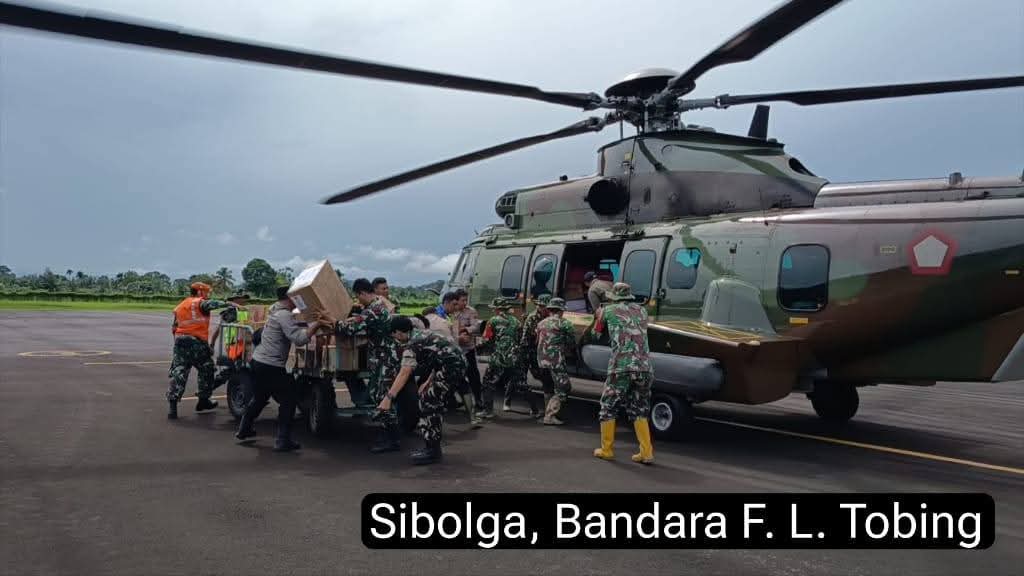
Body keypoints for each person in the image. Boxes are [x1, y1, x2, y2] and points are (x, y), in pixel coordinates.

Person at [235, 286, 327, 451]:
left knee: (260, 397)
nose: (298, 302)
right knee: (289, 400)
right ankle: (283, 440)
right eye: (296, 298)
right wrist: (318, 323)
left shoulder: (275, 310)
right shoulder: (284, 315)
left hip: (258, 362)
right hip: (271, 366)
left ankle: (244, 429)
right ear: (290, 298)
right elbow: (298, 339)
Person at [325, 278, 403, 453]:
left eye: (357, 296)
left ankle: (391, 438)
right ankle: (389, 435)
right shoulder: (377, 307)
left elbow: (349, 330)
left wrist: (333, 321)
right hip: (384, 358)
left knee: (383, 397)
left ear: (361, 293)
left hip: (385, 360)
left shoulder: (373, 310)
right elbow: (361, 322)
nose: (357, 300)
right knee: (379, 395)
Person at [378, 316, 467, 465]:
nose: (396, 340)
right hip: (453, 364)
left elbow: (404, 373)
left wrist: (388, 398)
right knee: (428, 398)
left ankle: (433, 451)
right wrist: (428, 381)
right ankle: (431, 447)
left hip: (452, 367)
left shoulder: (412, 344)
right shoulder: (422, 334)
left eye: (395, 336)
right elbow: (439, 356)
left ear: (399, 332)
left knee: (429, 403)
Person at [591, 282, 654, 464]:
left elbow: (596, 334)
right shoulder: (642, 311)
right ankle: (646, 452)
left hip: (621, 366)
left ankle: (606, 449)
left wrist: (599, 317)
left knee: (608, 406)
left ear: (614, 296)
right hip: (644, 367)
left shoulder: (607, 310)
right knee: (640, 408)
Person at [166, 282, 241, 419]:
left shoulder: (181, 305)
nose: (207, 295)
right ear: (200, 292)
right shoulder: (199, 303)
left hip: (180, 341)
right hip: (196, 342)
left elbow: (174, 327)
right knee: (207, 368)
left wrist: (177, 345)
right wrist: (229, 304)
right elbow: (211, 304)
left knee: (179, 371)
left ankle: (172, 407)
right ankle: (203, 400)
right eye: (206, 292)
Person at [425, 292, 481, 427]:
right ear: (447, 302)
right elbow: (448, 337)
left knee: (463, 381)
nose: (456, 307)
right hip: (441, 355)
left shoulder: (451, 315)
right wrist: (459, 338)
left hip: (455, 353)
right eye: (454, 304)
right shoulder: (439, 317)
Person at [481, 297, 537, 418]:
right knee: (521, 384)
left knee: (488, 382)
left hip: (498, 357)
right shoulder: (516, 321)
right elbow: (521, 339)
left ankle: (488, 411)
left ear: (497, 309)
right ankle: (535, 410)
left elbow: (486, 339)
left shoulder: (493, 321)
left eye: (493, 309)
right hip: (514, 357)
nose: (493, 311)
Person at [535, 297, 577, 426]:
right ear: (561, 310)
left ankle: (548, 411)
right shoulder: (565, 324)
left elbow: (536, 340)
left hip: (541, 360)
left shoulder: (541, 323)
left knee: (548, 386)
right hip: (556, 360)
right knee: (564, 387)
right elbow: (571, 343)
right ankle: (550, 415)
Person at [519, 293, 553, 417]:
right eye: (539, 306)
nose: (541, 308)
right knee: (520, 380)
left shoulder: (549, 317)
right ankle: (533, 408)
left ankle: (547, 409)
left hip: (539, 352)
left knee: (545, 378)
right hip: (528, 351)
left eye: (543, 306)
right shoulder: (533, 318)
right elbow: (527, 338)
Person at [453, 289, 483, 406]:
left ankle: (478, 399)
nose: (465, 303)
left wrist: (465, 330)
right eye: (462, 300)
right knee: (456, 375)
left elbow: (475, 326)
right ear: (456, 300)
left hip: (467, 348)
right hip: (455, 348)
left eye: (466, 300)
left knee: (473, 374)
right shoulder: (452, 311)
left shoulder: (471, 311)